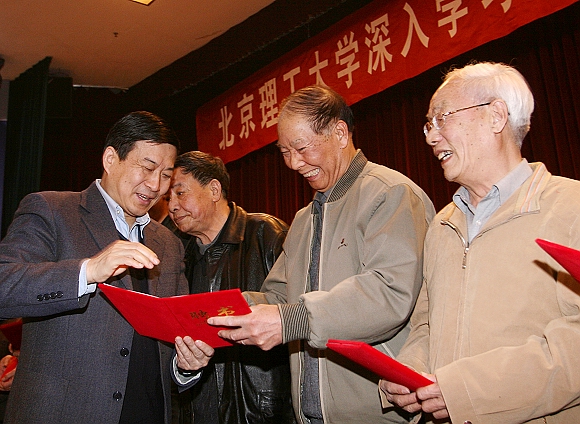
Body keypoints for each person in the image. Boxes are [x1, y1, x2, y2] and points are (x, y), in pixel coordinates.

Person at [210, 85, 435, 423]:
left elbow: (388, 293)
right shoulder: (303, 220)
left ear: (340, 133)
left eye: (301, 148)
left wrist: (292, 321)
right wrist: (217, 311)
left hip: (379, 412)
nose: (293, 163)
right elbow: (279, 297)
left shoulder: (391, 195)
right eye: (285, 152)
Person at [379, 61, 580, 423]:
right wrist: (409, 371)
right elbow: (426, 325)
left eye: (442, 118)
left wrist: (467, 391)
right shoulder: (442, 225)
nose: (431, 137)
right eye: (428, 125)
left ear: (496, 116)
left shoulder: (571, 206)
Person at [0, 111, 213, 424]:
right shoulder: (52, 210)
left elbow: (169, 340)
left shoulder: (168, 242)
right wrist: (88, 270)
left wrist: (185, 365)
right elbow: (4, 287)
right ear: (111, 159)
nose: (155, 185)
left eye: (166, 175)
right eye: (147, 167)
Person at [167, 151, 295, 424]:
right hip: (197, 409)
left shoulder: (266, 234)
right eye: (168, 198)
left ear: (214, 190)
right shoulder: (177, 253)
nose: (172, 207)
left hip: (260, 410)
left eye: (180, 193)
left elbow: (299, 314)